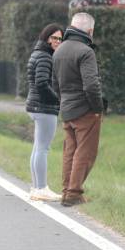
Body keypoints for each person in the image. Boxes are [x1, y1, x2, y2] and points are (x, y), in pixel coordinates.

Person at [52, 12, 105, 207]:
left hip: (67, 108)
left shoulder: (59, 50)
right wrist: (97, 107)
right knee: (85, 152)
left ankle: (67, 191)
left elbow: (54, 84)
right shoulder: (86, 51)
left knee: (70, 151)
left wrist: (62, 103)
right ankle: (74, 193)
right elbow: (91, 85)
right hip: (85, 110)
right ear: (90, 31)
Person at [25, 23, 65, 202]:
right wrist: (57, 99)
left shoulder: (37, 53)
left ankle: (36, 187)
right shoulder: (45, 57)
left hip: (35, 106)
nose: (57, 41)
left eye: (60, 38)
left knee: (37, 147)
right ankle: (41, 188)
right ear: (46, 37)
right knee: (43, 148)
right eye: (54, 38)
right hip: (44, 108)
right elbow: (42, 83)